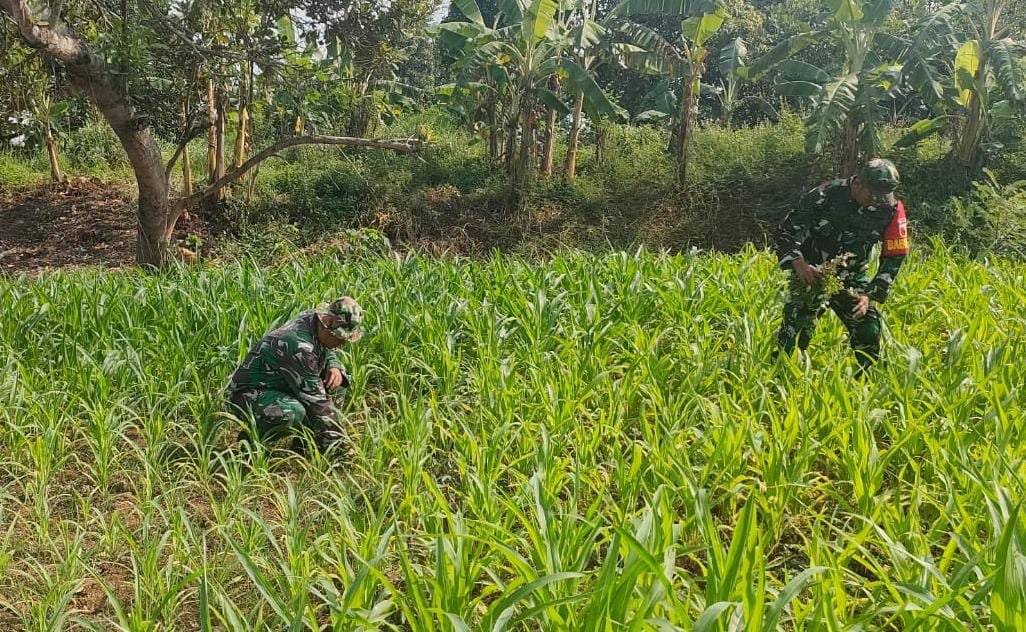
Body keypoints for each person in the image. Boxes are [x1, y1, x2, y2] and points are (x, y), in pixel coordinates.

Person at [775, 158, 910, 373]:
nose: (877, 201)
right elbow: (787, 231)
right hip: (812, 274)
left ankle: (864, 387)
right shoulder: (824, 195)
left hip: (852, 278)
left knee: (869, 329)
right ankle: (779, 381)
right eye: (872, 195)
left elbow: (896, 254)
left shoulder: (891, 208)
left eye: (881, 196)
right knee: (795, 333)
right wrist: (798, 263)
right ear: (857, 183)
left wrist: (869, 294)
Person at [227, 297, 363, 454]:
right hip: (250, 393)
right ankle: (250, 443)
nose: (342, 344)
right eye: (340, 338)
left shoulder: (315, 319)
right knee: (293, 412)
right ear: (327, 326)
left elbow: (324, 349)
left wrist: (334, 365)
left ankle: (306, 445)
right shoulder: (298, 346)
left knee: (337, 382)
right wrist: (340, 448)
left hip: (283, 383)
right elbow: (317, 403)